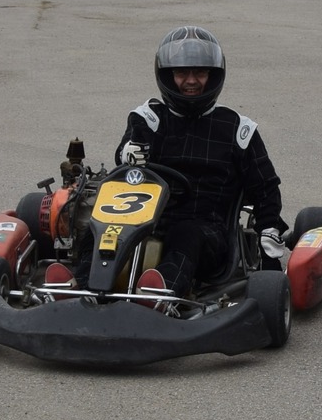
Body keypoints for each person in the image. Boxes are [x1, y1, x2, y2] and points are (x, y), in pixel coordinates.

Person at [114, 26, 286, 296]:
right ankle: (74, 284)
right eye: (182, 73)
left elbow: (265, 190)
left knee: (186, 234)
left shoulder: (238, 129)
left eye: (200, 73)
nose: (191, 81)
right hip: (146, 221)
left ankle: (161, 295)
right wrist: (128, 152)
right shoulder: (149, 118)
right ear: (168, 76)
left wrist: (269, 248)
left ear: (214, 75)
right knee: (107, 228)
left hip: (208, 233)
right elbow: (125, 155)